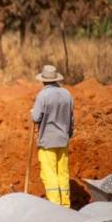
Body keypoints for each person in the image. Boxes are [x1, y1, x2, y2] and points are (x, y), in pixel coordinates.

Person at [30, 64, 75, 208]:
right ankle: (65, 205)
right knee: (63, 173)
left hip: (48, 141)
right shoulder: (67, 94)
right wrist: (69, 134)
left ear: (43, 80)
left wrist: (32, 112)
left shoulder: (43, 95)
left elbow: (36, 117)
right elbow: (72, 119)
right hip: (63, 140)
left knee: (50, 175)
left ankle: (55, 206)